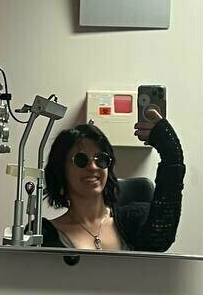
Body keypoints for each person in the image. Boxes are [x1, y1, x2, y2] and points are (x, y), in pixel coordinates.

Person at [40, 108, 184, 252]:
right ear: (60, 170)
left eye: (101, 159)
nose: (93, 167)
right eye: (81, 160)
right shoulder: (42, 235)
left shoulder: (135, 220)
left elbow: (160, 239)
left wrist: (171, 150)